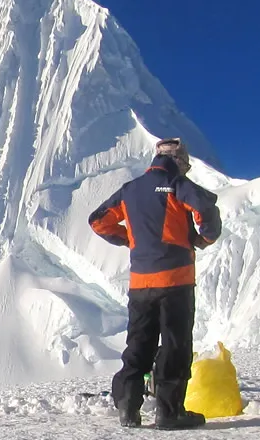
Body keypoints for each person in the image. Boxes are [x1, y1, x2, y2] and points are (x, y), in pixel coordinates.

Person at [88, 138, 222, 429]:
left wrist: (130, 239)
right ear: (179, 161)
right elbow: (206, 209)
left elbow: (98, 221)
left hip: (140, 285)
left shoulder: (130, 190)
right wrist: (204, 238)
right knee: (175, 346)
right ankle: (169, 413)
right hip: (176, 282)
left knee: (138, 346)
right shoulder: (177, 184)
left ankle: (128, 408)